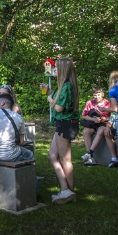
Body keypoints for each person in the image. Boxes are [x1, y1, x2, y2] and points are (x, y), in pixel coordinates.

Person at [46, 57, 80, 204]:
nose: (54, 69)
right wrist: (49, 92)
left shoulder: (66, 86)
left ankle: (69, 192)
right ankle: (65, 189)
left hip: (66, 123)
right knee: (52, 155)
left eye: (56, 68)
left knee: (65, 159)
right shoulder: (63, 86)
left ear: (63, 70)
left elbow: (59, 107)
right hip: (62, 123)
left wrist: (49, 99)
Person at [0, 93, 30, 162]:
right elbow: (21, 142)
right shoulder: (18, 117)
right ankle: (32, 172)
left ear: (3, 102)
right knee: (29, 154)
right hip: (11, 156)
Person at [80, 87, 117, 167]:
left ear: (102, 94)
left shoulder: (108, 103)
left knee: (101, 131)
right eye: (95, 95)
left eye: (98, 95)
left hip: (104, 123)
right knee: (86, 131)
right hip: (93, 123)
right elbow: (84, 116)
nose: (96, 97)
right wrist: (93, 119)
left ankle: (89, 153)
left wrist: (105, 119)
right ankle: (90, 158)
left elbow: (113, 116)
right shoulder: (90, 102)